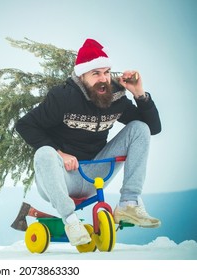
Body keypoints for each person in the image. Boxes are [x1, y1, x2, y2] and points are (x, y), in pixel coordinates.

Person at [15, 38, 162, 246]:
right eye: (95, 73)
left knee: (140, 128)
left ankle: (129, 202)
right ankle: (70, 221)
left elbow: (152, 129)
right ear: (82, 75)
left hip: (95, 172)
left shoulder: (115, 98)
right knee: (44, 153)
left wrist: (139, 93)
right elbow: (25, 125)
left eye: (106, 72)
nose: (103, 79)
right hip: (63, 178)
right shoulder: (63, 97)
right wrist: (60, 154)